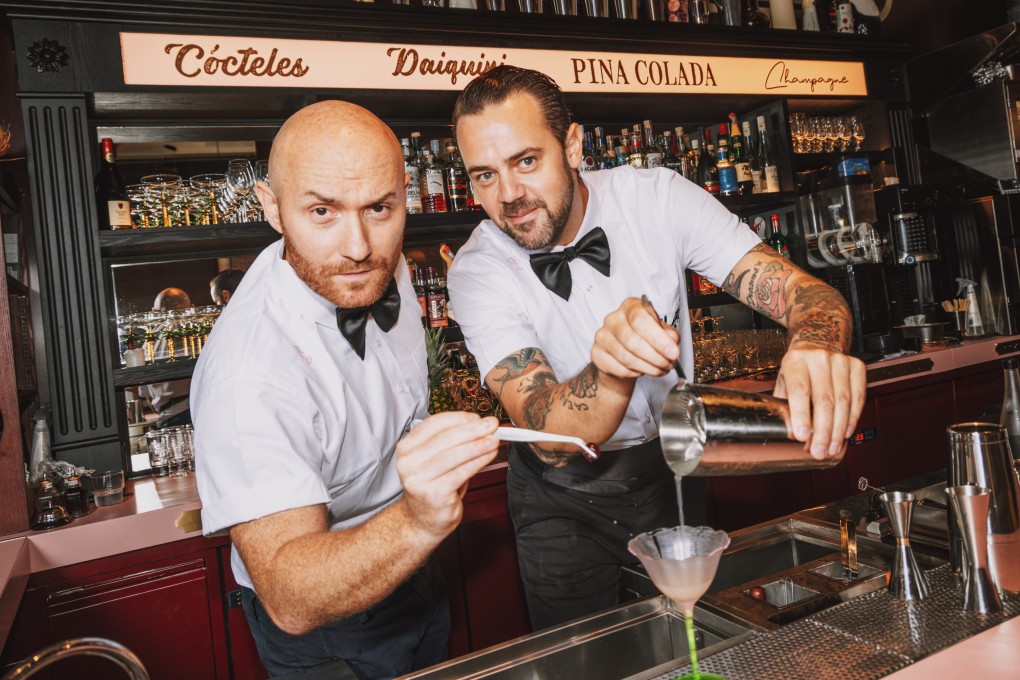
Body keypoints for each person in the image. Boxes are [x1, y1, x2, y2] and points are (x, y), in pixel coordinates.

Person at [447, 65, 867, 631]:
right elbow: (547, 436)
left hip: (671, 466)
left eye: (526, 161)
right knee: (589, 660)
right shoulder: (477, 269)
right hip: (560, 502)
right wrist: (611, 370)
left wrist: (814, 343)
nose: (509, 195)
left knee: (695, 634)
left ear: (572, 145)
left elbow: (809, 295)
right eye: (484, 176)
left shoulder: (660, 199)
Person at [192, 100, 500, 678]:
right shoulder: (251, 373)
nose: (358, 247)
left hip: (413, 572)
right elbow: (289, 594)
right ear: (272, 208)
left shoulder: (384, 266)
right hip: (324, 628)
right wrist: (417, 520)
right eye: (323, 212)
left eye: (379, 208)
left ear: (403, 195)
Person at [140, 287, 193, 426]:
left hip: (169, 416)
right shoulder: (200, 333)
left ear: (155, 311)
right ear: (192, 308)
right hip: (197, 409)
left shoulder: (148, 342)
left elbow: (145, 392)